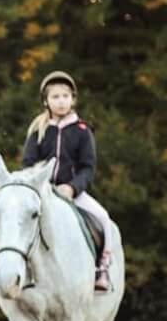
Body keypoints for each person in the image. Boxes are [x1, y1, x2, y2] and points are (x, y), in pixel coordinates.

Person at [22, 70, 114, 291]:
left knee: (103, 218)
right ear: (46, 101)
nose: (61, 101)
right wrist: (39, 185)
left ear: (73, 99)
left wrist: (72, 188)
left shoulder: (82, 131)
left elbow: (88, 167)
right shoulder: (38, 130)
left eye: (65, 96)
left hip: (72, 192)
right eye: (55, 97)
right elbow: (28, 163)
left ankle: (102, 269)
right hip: (42, 192)